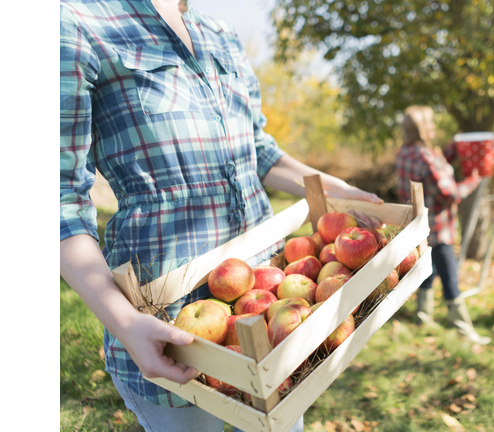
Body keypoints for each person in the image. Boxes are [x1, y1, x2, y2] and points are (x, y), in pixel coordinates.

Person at [59, 1, 382, 430]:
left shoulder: (220, 35)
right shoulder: (79, 23)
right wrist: (125, 324)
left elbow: (259, 151)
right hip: (168, 330)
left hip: (272, 309)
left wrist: (341, 191)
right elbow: (57, 197)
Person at [394, 106, 491, 345]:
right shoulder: (427, 157)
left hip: (417, 227)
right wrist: (472, 180)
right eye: (432, 124)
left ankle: (423, 315)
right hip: (438, 228)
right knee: (450, 276)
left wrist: (450, 150)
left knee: (429, 268)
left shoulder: (405, 153)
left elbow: (431, 169)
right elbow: (449, 193)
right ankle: (462, 328)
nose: (435, 127)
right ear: (424, 129)